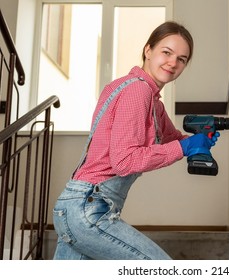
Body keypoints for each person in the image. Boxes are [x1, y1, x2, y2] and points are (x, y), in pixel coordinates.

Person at [52, 21, 219, 260]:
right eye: (167, 52)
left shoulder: (150, 99)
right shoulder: (137, 91)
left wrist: (199, 140)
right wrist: (185, 146)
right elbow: (125, 161)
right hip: (88, 207)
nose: (173, 63)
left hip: (75, 205)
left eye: (182, 59)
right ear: (148, 50)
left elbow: (173, 139)